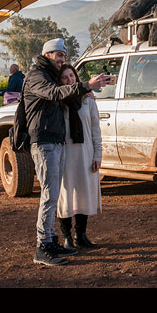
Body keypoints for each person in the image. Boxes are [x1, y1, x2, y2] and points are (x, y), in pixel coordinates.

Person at [22, 38, 109, 266]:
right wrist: (86, 86)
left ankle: (51, 242)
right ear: (48, 54)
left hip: (56, 142)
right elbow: (54, 93)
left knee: (52, 195)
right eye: (59, 55)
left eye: (64, 55)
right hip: (44, 141)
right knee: (51, 196)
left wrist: (84, 92)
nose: (62, 59)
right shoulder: (37, 76)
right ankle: (43, 247)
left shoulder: (50, 75)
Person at [57, 64, 103, 251]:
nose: (70, 80)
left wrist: (97, 154)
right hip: (64, 153)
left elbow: (95, 129)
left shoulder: (88, 101)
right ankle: (66, 236)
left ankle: (81, 234)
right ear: (59, 82)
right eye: (65, 78)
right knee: (65, 194)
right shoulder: (57, 103)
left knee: (84, 193)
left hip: (85, 152)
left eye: (72, 76)